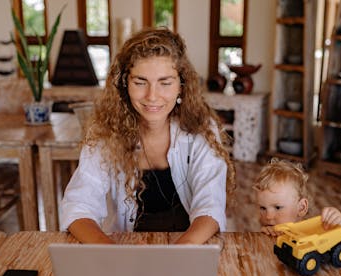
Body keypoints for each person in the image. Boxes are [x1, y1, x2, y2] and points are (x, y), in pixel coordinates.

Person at [60, 27, 235, 244]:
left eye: (165, 82)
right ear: (125, 84)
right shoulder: (106, 132)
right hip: (125, 248)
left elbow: (210, 205)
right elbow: (78, 205)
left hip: (190, 246)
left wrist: (180, 252)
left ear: (181, 86)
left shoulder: (201, 129)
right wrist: (108, 251)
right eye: (140, 82)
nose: (152, 96)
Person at [253, 158, 341, 264]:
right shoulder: (272, 233)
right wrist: (265, 237)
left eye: (278, 207)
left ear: (301, 208)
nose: (268, 216)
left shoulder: (320, 231)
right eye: (263, 208)